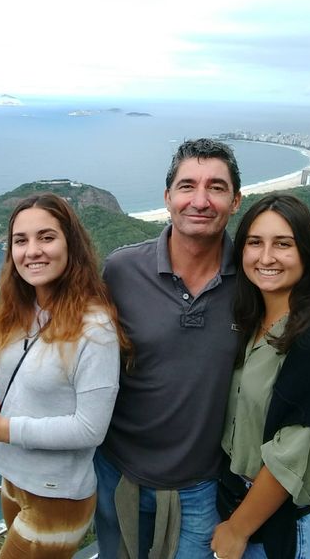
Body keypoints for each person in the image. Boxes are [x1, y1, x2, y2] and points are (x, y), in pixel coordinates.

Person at [0, 193, 125, 559]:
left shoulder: (95, 328)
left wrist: (1, 430)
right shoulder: (27, 309)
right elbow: (17, 357)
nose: (32, 251)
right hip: (13, 481)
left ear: (70, 245)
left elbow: (90, 429)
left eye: (46, 237)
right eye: (21, 241)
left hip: (57, 497)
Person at [94, 139, 243, 559]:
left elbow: (293, 333)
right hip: (117, 474)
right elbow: (60, 327)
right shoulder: (121, 270)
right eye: (187, 186)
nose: (200, 200)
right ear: (167, 198)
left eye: (216, 187)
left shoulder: (254, 280)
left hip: (202, 487)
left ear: (235, 201)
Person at [211, 194, 310, 559]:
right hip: (241, 502)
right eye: (254, 243)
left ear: (305, 252)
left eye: (283, 244)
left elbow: (287, 459)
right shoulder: (251, 319)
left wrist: (236, 530)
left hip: (289, 525)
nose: (266, 258)